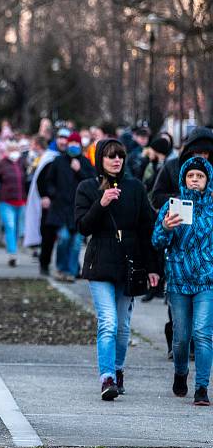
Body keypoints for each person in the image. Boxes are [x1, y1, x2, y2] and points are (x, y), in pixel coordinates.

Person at [75, 138, 159, 401]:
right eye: (111, 156)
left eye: (120, 156)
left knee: (123, 326)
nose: (116, 160)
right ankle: (107, 377)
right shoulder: (87, 187)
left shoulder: (134, 188)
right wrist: (101, 204)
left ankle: (118, 370)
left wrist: (154, 267)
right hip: (100, 263)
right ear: (100, 159)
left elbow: (148, 228)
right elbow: (82, 226)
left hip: (129, 263)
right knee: (108, 322)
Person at [152, 157, 213, 406]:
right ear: (183, 180)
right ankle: (180, 373)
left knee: (203, 334)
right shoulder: (172, 206)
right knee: (181, 337)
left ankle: (202, 388)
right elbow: (157, 241)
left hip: (207, 281)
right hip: (178, 280)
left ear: (208, 179)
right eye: (191, 176)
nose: (195, 180)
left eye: (200, 176)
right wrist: (166, 227)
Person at [42, 132, 95, 282]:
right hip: (61, 208)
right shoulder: (58, 161)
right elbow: (49, 181)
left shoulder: (84, 162)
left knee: (76, 243)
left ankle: (71, 272)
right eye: (70, 143)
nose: (73, 146)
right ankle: (61, 268)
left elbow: (92, 182)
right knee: (64, 239)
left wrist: (79, 171)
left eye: (76, 144)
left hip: (79, 210)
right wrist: (52, 194)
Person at [0, 140, 28, 266]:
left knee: (17, 228)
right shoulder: (2, 164)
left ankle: (13, 249)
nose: (14, 152)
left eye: (16, 149)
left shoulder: (22, 163)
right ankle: (12, 253)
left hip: (21, 201)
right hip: (5, 201)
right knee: (10, 226)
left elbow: (25, 181)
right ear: (6, 151)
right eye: (11, 150)